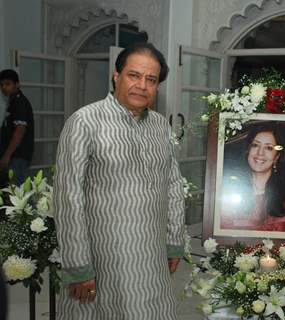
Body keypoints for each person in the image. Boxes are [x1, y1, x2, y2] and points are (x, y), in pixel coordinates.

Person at [54, 43, 185, 320]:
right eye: (134, 75)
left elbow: (173, 185)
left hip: (152, 258)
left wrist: (174, 241)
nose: (142, 86)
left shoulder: (160, 125)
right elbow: (68, 196)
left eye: (151, 80)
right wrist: (78, 266)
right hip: (104, 258)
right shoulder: (84, 122)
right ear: (116, 76)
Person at [220, 122, 285, 232]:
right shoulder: (228, 193)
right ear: (248, 150)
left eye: (269, 148)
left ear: (277, 156)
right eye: (255, 145)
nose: (260, 153)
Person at [0, 69, 34, 187]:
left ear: (17, 84)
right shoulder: (12, 102)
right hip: (12, 156)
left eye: (8, 84)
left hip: (17, 157)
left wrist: (6, 155)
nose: (4, 87)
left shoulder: (20, 102)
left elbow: (20, 130)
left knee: (18, 195)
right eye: (2, 85)